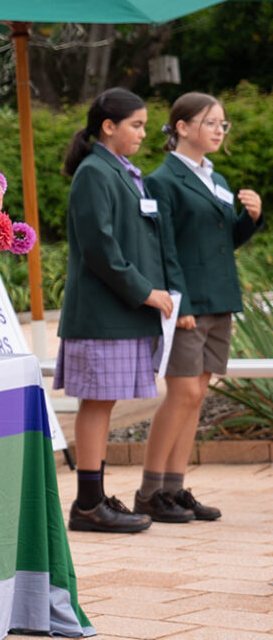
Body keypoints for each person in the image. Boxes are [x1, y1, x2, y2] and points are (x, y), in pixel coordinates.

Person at [139, 92, 263, 521]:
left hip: (220, 298)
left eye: (222, 124)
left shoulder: (219, 180)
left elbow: (224, 242)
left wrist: (251, 218)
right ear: (182, 127)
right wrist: (180, 301)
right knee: (183, 391)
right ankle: (150, 491)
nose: (218, 130)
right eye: (210, 122)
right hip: (187, 302)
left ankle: (176, 489)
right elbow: (163, 247)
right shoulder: (162, 180)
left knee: (197, 395)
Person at [56, 87, 174, 533]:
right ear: (109, 126)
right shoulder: (95, 172)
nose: (144, 133)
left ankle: (96, 498)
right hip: (103, 314)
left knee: (103, 402)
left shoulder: (120, 170)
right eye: (137, 125)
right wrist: (145, 292)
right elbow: (99, 248)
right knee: (98, 402)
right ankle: (88, 504)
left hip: (118, 313)